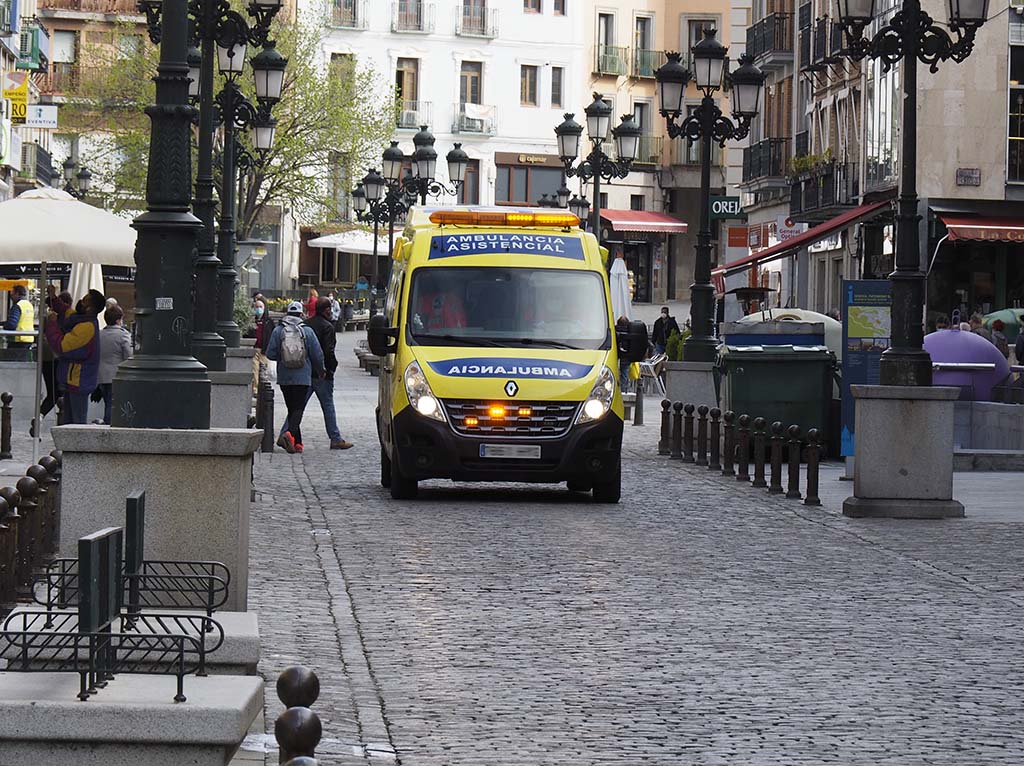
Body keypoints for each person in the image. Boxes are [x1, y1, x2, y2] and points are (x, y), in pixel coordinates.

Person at [278, 297, 353, 450]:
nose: (331, 312)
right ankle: (335, 438)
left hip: (304, 373)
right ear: (326, 310)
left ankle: (284, 433)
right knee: (327, 405)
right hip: (321, 373)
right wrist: (329, 368)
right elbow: (326, 352)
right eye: (330, 309)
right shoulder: (327, 327)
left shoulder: (306, 324)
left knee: (298, 407)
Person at [265, 300, 325, 454]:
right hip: (303, 375)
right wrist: (320, 370)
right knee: (298, 408)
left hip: (284, 377)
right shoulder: (307, 331)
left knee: (291, 408)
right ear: (300, 314)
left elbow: (270, 353)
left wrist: (283, 356)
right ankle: (289, 434)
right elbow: (317, 354)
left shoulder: (278, 330)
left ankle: (298, 443)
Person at [44, 287, 105, 425]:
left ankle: (76, 447)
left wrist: (52, 324)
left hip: (79, 380)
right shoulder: (80, 319)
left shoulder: (86, 327)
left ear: (90, 309)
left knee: (76, 422)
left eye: (84, 301)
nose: (80, 301)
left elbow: (62, 346)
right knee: (69, 421)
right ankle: (69, 447)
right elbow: (67, 312)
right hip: (73, 379)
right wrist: (54, 298)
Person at [96, 304, 133, 424]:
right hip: (116, 375)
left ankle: (107, 422)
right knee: (113, 404)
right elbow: (129, 355)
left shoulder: (99, 335)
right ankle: (109, 425)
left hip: (101, 376)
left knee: (108, 402)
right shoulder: (123, 335)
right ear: (118, 320)